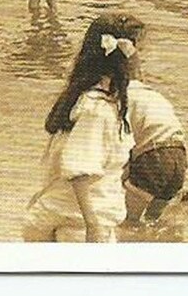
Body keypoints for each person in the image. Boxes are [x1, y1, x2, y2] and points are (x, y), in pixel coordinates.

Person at [23, 14, 141, 243]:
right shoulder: (96, 110)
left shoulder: (89, 100)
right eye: (138, 53)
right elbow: (80, 171)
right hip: (76, 223)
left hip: (69, 216)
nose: (140, 60)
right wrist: (93, 225)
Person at [121, 34, 188, 227]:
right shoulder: (151, 94)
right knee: (154, 220)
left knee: (128, 221)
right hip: (178, 156)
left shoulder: (121, 97)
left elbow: (122, 146)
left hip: (153, 157)